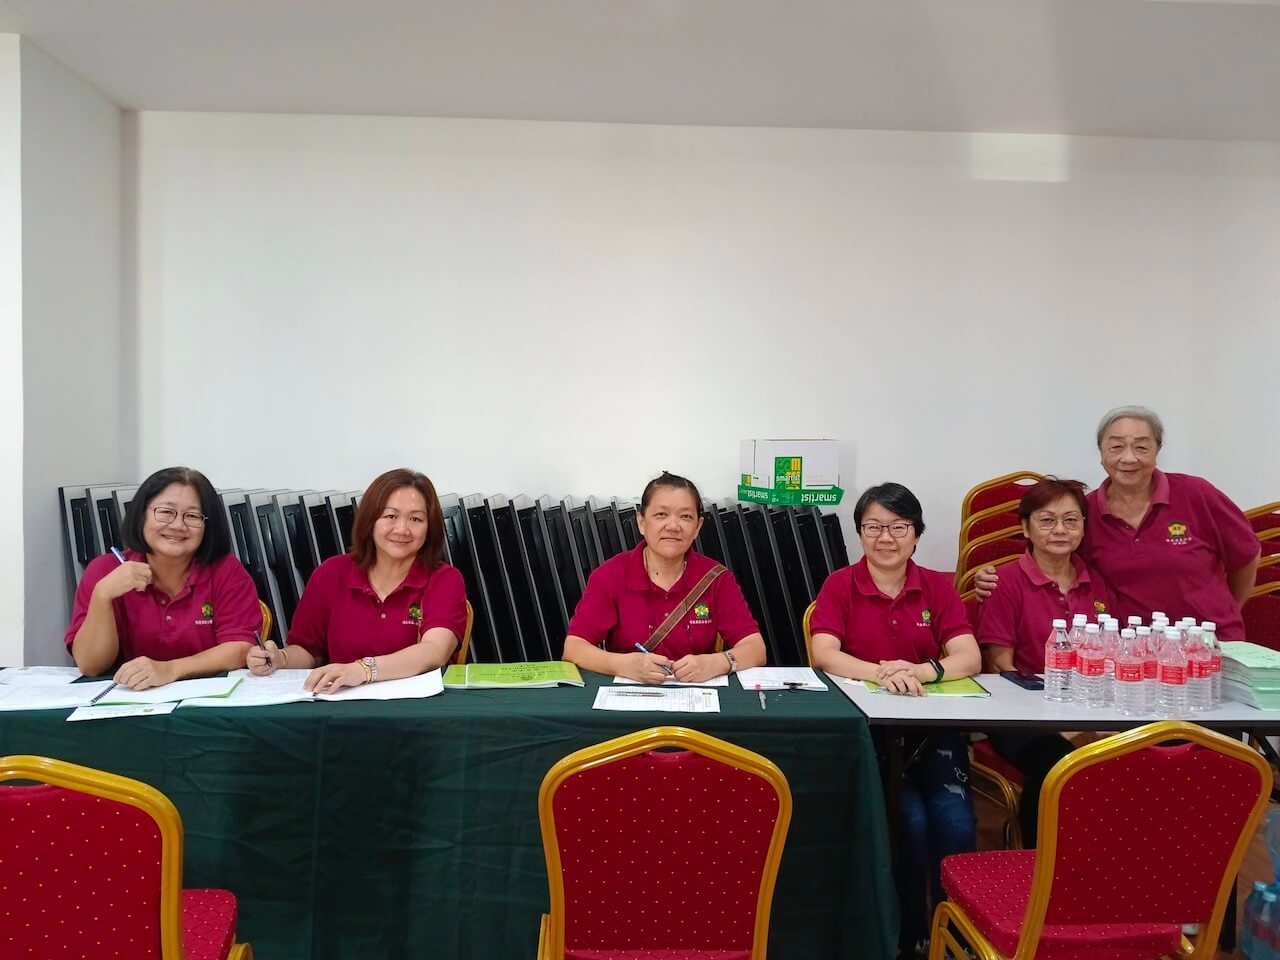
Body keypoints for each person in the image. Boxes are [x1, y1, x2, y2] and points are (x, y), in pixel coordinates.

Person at [808, 483, 980, 957]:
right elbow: (823, 653)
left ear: (917, 534)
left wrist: (921, 671)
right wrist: (883, 673)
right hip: (873, 731)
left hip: (933, 728)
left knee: (955, 821)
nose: (886, 538)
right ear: (860, 533)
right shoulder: (840, 584)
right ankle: (909, 936)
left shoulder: (937, 586)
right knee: (910, 822)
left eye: (898, 527)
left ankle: (957, 933)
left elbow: (969, 655)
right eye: (874, 527)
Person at [974, 406, 1260, 638]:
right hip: (1131, 654)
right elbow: (1051, 561)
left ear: (1158, 450)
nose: (1129, 458)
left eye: (1141, 447)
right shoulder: (1086, 513)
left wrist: (1226, 611)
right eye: (1116, 446)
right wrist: (991, 578)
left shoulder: (1197, 494)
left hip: (1210, 644)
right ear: (1101, 452)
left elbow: (1246, 555)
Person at [976, 476, 1114, 845]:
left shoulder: (1098, 582)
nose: (1060, 530)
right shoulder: (1004, 582)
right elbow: (1001, 668)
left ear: (1084, 527)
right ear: (1026, 528)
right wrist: (1062, 724)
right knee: (1059, 764)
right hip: (1021, 715)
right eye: (1047, 520)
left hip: (1091, 707)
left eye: (1071, 520)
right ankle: (1039, 863)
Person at [248, 468, 466, 692]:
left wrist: (363, 670)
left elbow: (434, 651)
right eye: (390, 516)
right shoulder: (332, 573)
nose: (402, 529)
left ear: (430, 527)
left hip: (416, 705)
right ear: (370, 520)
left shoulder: (444, 579)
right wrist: (280, 658)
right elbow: (307, 651)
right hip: (341, 702)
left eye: (416, 519)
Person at [66, 466, 261, 689]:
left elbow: (239, 647)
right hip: (129, 697)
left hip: (206, 697)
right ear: (141, 515)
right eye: (166, 512)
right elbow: (91, 666)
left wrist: (169, 670)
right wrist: (102, 595)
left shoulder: (226, 571)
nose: (178, 525)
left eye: (192, 516)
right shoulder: (104, 570)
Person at [561, 471, 766, 683]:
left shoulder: (716, 578)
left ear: (697, 527)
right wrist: (623, 665)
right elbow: (574, 648)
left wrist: (717, 663)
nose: (673, 526)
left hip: (698, 695)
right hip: (630, 695)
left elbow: (755, 648)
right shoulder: (610, 575)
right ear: (641, 522)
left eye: (686, 516)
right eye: (661, 514)